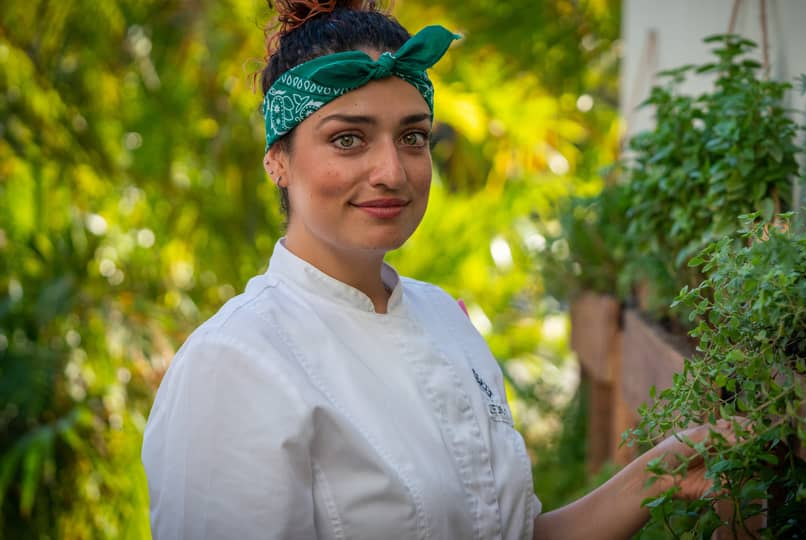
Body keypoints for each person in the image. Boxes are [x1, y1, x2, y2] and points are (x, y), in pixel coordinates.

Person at [141, 1, 740, 538]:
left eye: (412, 137)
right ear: (278, 159)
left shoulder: (444, 322)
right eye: (348, 139)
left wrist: (660, 474)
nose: (392, 172)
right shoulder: (235, 364)